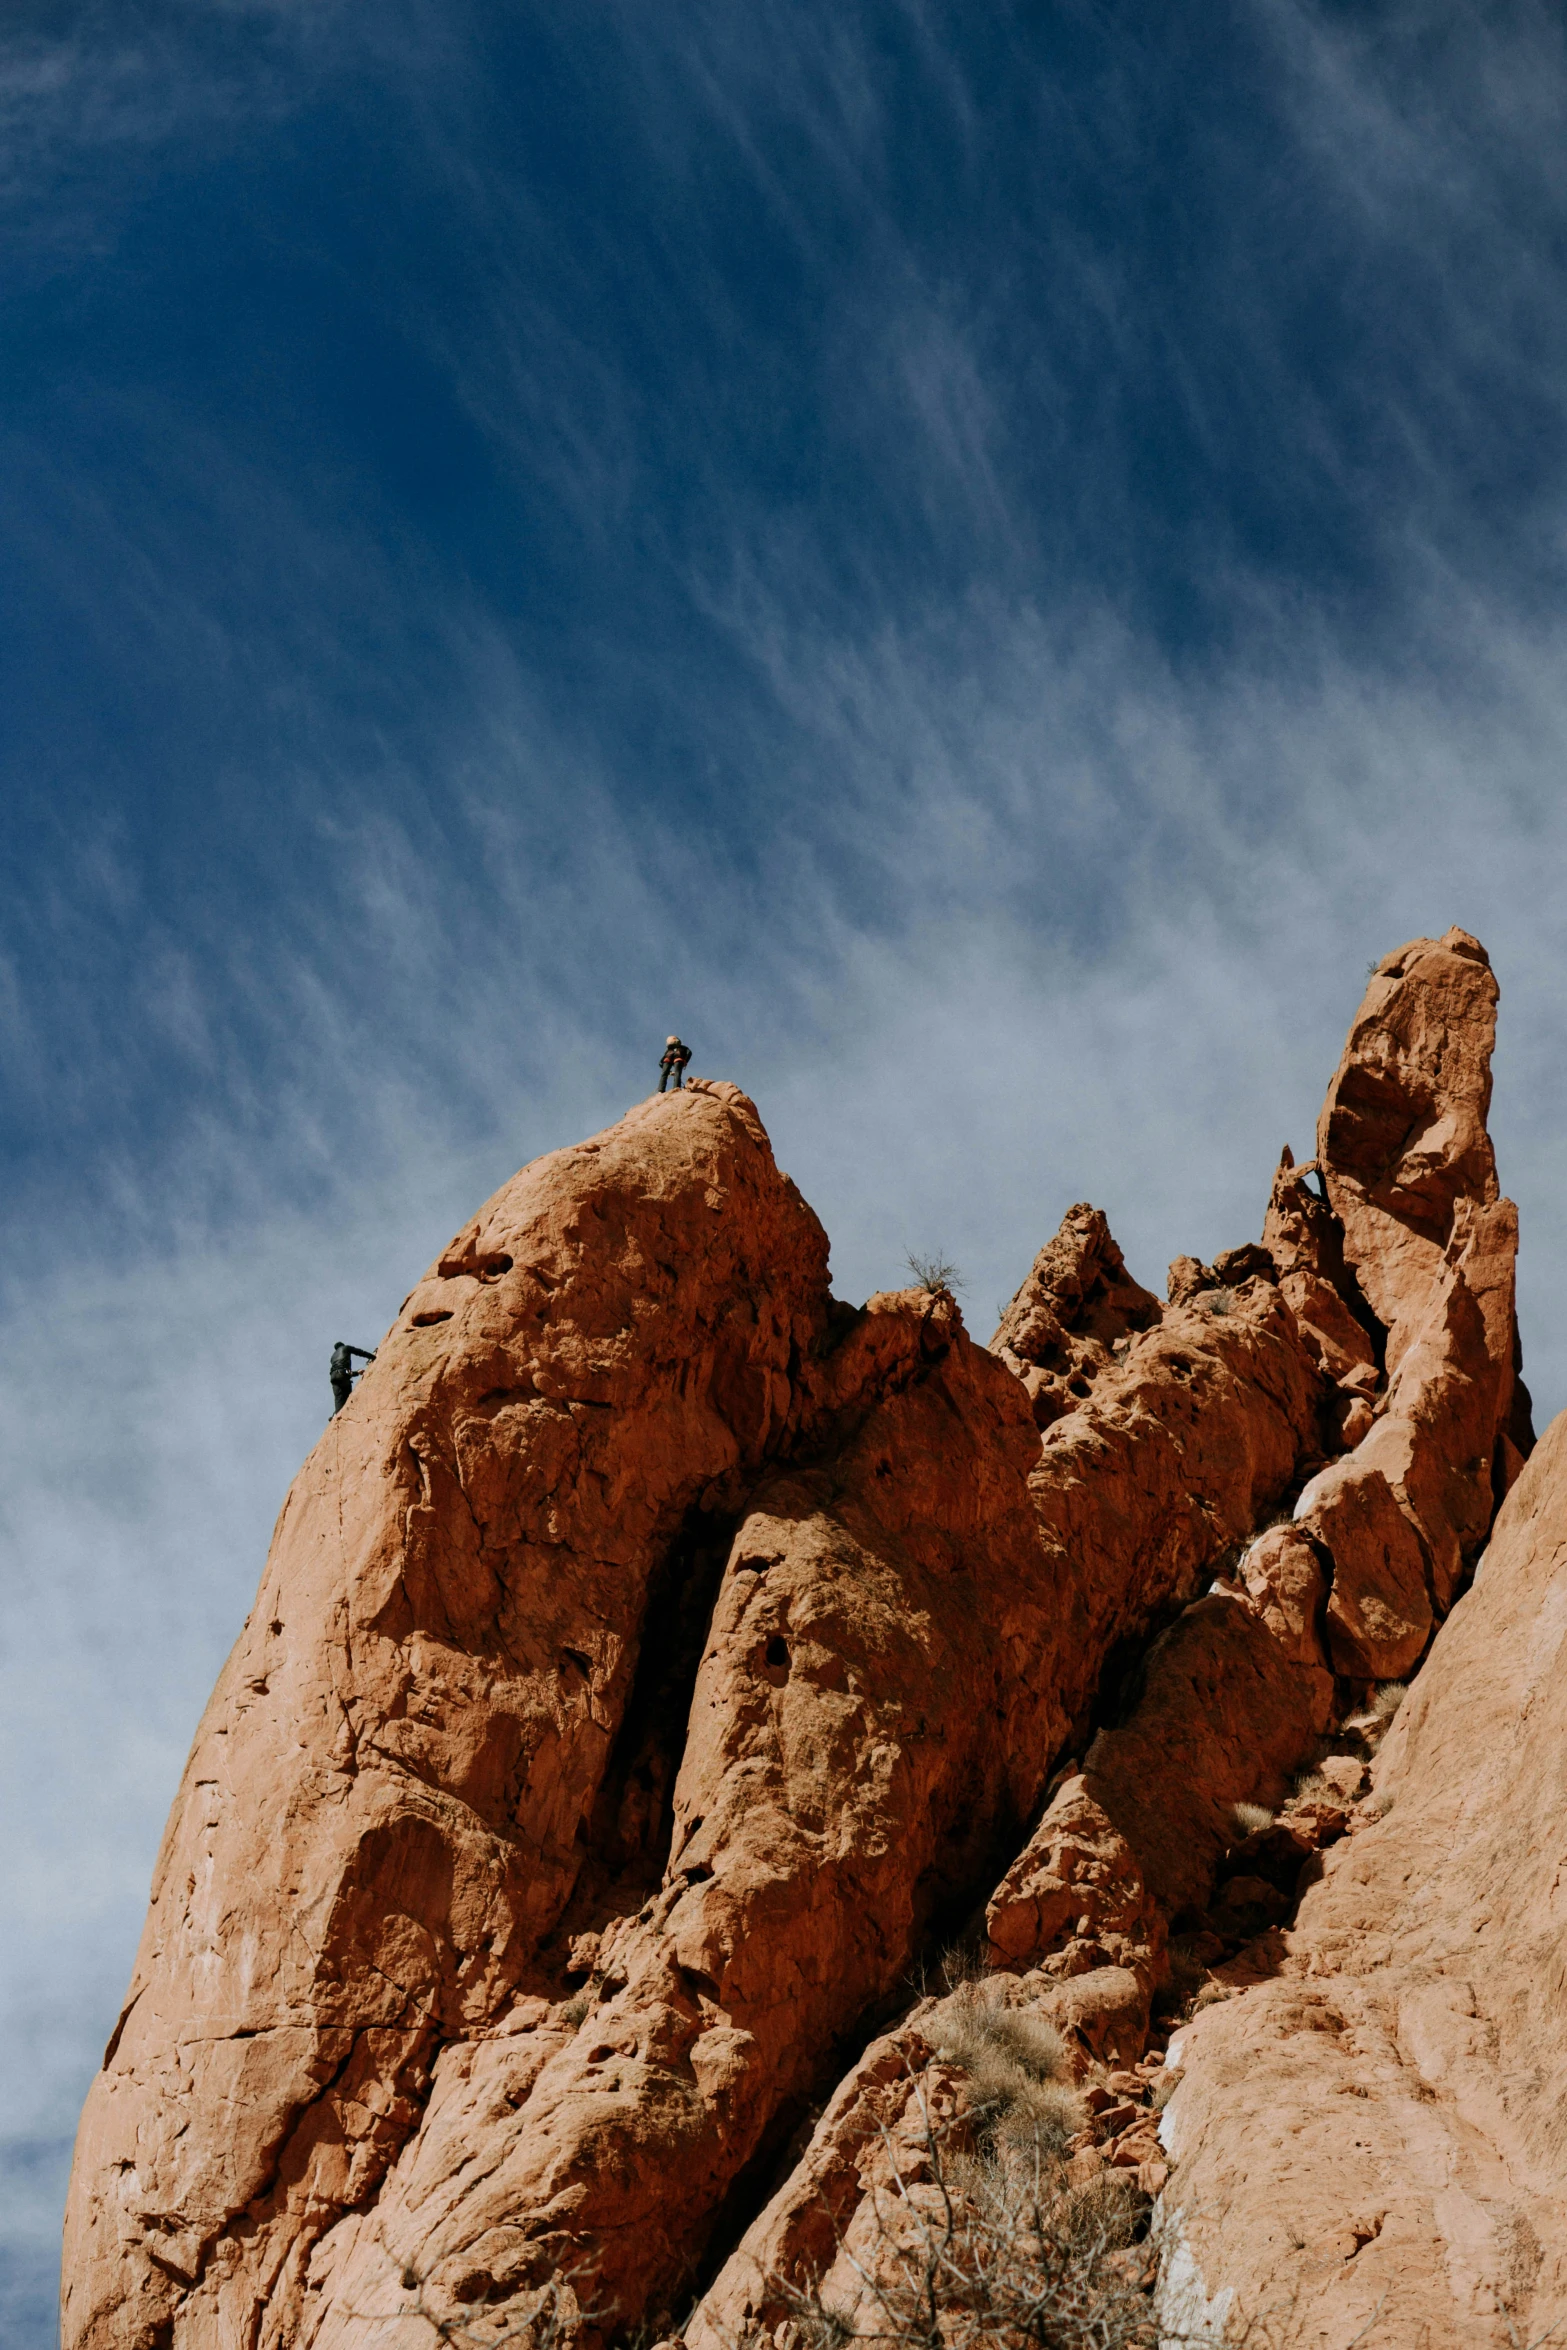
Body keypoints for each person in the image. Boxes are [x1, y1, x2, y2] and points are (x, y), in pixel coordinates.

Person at [330, 1341, 377, 1415]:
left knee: (338, 1398)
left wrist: (357, 1373)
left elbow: (341, 1370)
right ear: (342, 1345)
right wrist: (373, 1357)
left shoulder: (332, 1358)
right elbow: (360, 1352)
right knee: (348, 1395)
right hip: (343, 1374)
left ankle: (337, 1415)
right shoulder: (346, 1348)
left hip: (333, 1377)